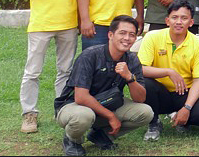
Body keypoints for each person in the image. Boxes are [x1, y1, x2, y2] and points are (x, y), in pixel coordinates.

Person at [19, 0, 81, 135]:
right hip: (41, 23)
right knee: (32, 72)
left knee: (65, 70)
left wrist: (81, 18)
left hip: (68, 23)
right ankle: (29, 113)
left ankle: (61, 109)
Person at [54, 16, 153, 156]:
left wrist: (130, 78)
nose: (127, 38)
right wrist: (111, 116)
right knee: (84, 116)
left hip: (107, 102)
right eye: (122, 33)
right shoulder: (90, 55)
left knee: (146, 112)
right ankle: (72, 140)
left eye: (132, 34)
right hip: (73, 105)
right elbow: (81, 97)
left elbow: (140, 98)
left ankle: (101, 135)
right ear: (110, 35)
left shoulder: (132, 59)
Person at [138, 0, 199, 139]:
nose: (179, 22)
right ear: (167, 21)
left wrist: (187, 108)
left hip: (185, 92)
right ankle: (154, 122)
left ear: (191, 22)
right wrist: (168, 72)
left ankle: (182, 119)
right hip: (159, 92)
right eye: (174, 17)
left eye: (184, 18)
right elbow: (140, 69)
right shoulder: (152, 37)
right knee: (144, 82)